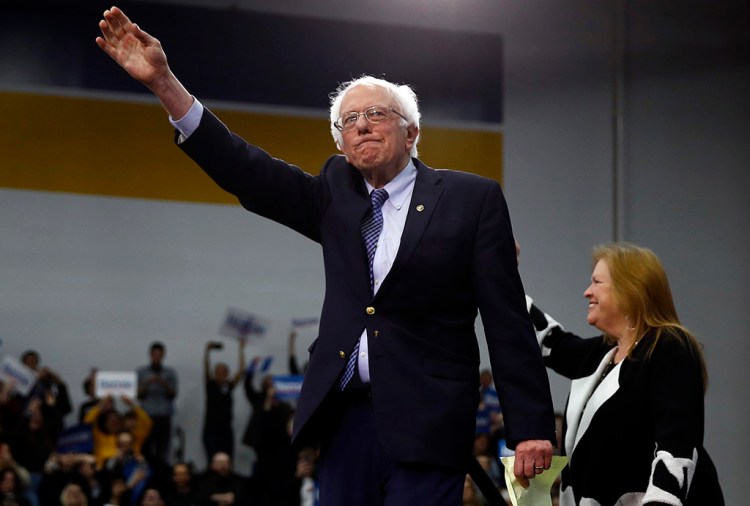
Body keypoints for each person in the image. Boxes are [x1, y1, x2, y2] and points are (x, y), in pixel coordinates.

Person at [96, 7, 556, 504]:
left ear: (412, 132)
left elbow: (507, 321)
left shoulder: (471, 199)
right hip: (343, 419)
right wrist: (165, 84)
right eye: (348, 121)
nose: (361, 126)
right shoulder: (337, 193)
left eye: (376, 114)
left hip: (428, 418)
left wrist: (529, 426)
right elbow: (248, 171)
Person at [530, 243, 724, 505]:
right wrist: (499, 273)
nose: (587, 292)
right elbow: (549, 340)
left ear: (629, 289)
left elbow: (676, 443)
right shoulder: (603, 353)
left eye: (597, 282)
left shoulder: (668, 345)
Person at [202, 340, 246, 461]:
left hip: (226, 427)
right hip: (211, 427)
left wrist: (241, 349)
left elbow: (241, 370)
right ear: (214, 373)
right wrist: (207, 352)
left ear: (227, 374)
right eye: (218, 372)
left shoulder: (229, 386)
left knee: (227, 458)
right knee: (212, 458)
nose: (220, 374)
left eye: (223, 372)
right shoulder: (210, 385)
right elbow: (206, 367)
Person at [136, 342, 177, 468]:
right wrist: (147, 383)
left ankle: (162, 473)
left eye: (160, 354)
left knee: (163, 449)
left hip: (164, 415)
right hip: (146, 416)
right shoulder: (141, 372)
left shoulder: (170, 373)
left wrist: (162, 382)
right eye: (155, 354)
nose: (157, 357)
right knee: (147, 448)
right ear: (150, 355)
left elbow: (173, 394)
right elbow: (138, 394)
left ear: (163, 355)